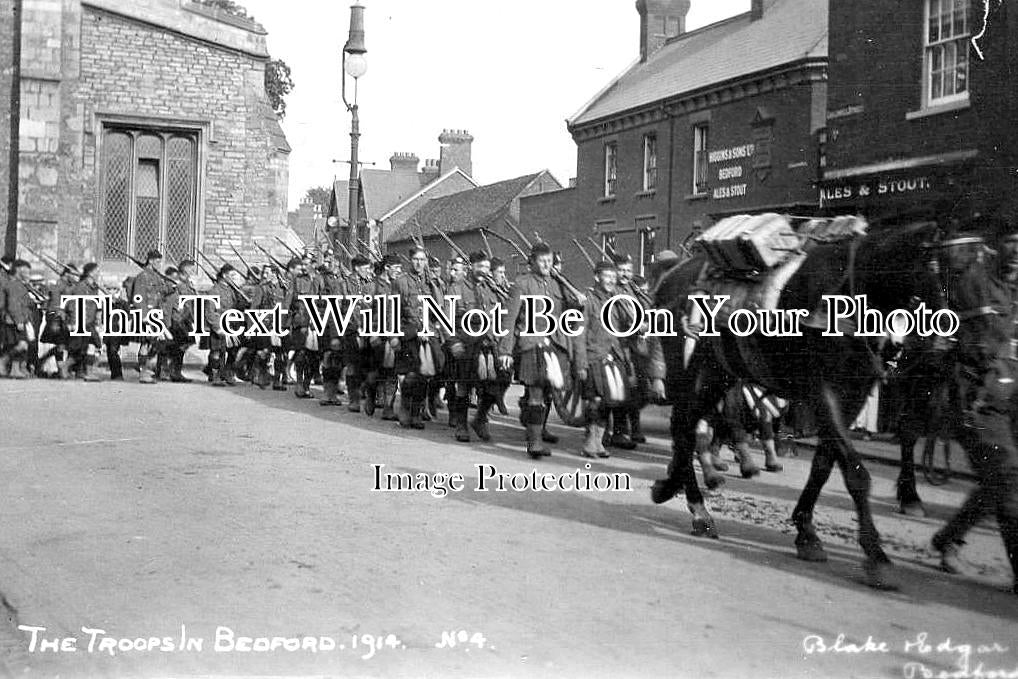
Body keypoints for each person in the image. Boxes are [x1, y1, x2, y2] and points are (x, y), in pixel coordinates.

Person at [932, 224, 1018, 595]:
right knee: (1008, 479)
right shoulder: (973, 283)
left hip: (1008, 400)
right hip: (978, 401)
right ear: (995, 247)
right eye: (1011, 243)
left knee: (997, 483)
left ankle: (948, 539)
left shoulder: (1009, 289)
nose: (1017, 253)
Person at [497, 242, 576, 458]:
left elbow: (572, 309)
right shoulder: (521, 284)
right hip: (532, 345)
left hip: (555, 344)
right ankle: (534, 442)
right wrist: (505, 351)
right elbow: (510, 319)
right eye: (542, 261)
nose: (546, 265)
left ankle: (536, 427)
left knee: (549, 392)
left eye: (549, 261)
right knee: (536, 393)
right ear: (532, 262)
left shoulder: (558, 283)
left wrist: (572, 293)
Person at [392, 246, 445, 429]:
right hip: (409, 333)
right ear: (410, 260)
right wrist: (393, 335)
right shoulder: (401, 282)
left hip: (428, 333)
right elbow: (393, 310)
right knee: (411, 374)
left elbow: (439, 309)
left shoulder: (432, 283)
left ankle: (417, 412)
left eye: (422, 260)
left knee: (427, 374)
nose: (419, 263)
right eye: (416, 259)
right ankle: (406, 407)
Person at [130, 250, 169, 384]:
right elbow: (138, 297)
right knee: (145, 344)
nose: (159, 264)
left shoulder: (156, 276)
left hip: (156, 314)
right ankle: (143, 372)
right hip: (146, 315)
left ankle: (143, 367)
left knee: (158, 343)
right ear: (150, 261)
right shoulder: (142, 277)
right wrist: (144, 316)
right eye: (157, 261)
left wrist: (172, 285)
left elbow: (162, 292)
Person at [343, 255, 375, 412]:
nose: (368, 271)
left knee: (368, 365)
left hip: (368, 328)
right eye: (365, 268)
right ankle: (353, 399)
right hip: (351, 329)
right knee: (352, 366)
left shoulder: (370, 284)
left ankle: (367, 394)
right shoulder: (344, 284)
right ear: (356, 268)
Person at [0, 260, 38, 379]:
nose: (28, 274)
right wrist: (19, 320)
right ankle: (3, 361)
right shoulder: (14, 284)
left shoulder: (19, 284)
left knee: (19, 345)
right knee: (21, 345)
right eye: (26, 271)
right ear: (18, 270)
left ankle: (15, 370)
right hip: (14, 320)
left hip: (21, 319)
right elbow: (13, 305)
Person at [66, 263, 103, 382]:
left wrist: (98, 317)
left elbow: (96, 304)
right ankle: (66, 367)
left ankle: (87, 372)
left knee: (91, 346)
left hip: (90, 322)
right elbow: (74, 304)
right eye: (96, 271)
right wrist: (74, 322)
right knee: (79, 349)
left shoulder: (94, 287)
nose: (98, 273)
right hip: (81, 321)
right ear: (90, 273)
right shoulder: (80, 287)